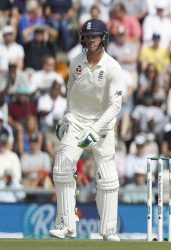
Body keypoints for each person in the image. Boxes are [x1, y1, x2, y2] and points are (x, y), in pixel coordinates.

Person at [49, 19, 122, 241]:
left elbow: (115, 106)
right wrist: (66, 120)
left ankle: (108, 229)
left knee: (107, 175)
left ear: (103, 38)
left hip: (102, 125)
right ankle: (66, 224)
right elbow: (70, 94)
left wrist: (96, 129)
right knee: (62, 167)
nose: (91, 40)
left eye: (95, 36)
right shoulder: (75, 63)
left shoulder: (112, 67)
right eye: (88, 36)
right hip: (77, 121)